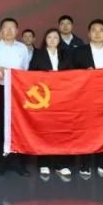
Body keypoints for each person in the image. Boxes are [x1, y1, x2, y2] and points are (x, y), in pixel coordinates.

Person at [70, 19, 103, 181]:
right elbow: (70, 73)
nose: (97, 33)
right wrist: (84, 73)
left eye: (101, 30)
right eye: (94, 30)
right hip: (85, 98)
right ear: (88, 33)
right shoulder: (79, 52)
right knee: (87, 130)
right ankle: (85, 163)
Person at [0, 17, 30, 176]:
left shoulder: (22, 48)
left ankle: (18, 163)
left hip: (17, 91)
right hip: (0, 89)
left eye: (12, 28)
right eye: (6, 27)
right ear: (1, 30)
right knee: (1, 127)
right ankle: (0, 164)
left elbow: (25, 69)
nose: (9, 30)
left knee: (18, 127)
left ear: (17, 31)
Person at [29, 28, 72, 180]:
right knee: (45, 131)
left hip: (62, 99)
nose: (52, 40)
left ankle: (61, 164)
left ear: (59, 40)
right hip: (44, 99)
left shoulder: (66, 55)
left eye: (55, 37)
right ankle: (44, 163)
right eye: (49, 37)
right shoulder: (38, 54)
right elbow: (31, 74)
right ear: (45, 40)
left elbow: (72, 75)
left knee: (61, 131)